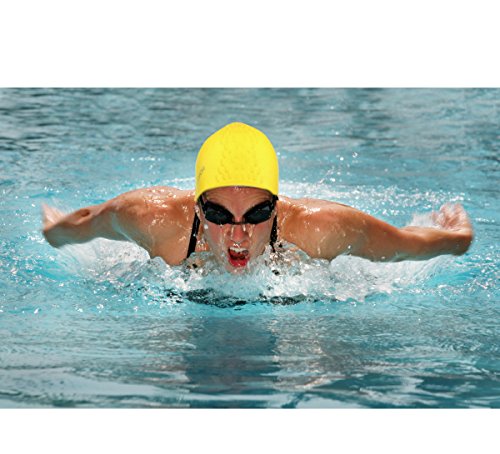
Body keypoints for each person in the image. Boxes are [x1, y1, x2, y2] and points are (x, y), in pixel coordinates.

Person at [42, 122, 473, 273]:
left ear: (277, 207)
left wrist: (457, 239)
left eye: (257, 213)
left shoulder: (322, 229)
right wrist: (55, 232)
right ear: (197, 209)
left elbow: (403, 245)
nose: (239, 234)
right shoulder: (153, 219)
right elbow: (88, 221)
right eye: (218, 215)